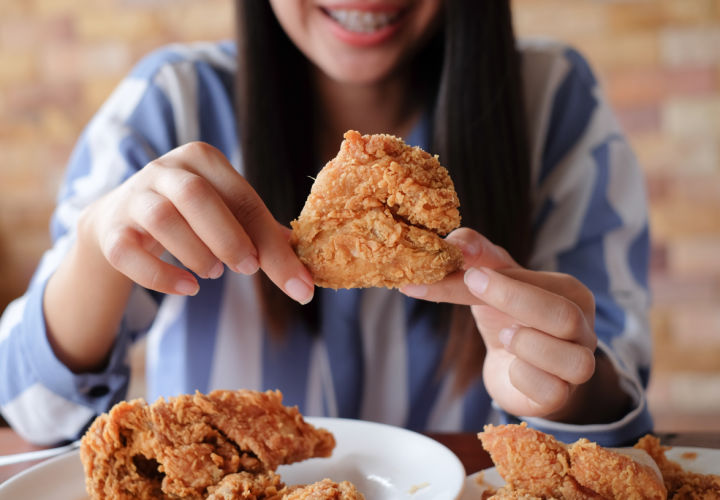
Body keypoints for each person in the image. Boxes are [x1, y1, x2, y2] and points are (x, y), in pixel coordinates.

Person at [0, 1, 653, 446]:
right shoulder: (173, 103)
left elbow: (620, 427)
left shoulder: (553, 102)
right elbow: (32, 415)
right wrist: (95, 248)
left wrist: (566, 392)